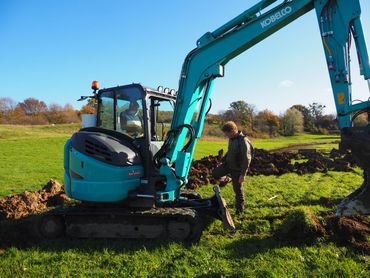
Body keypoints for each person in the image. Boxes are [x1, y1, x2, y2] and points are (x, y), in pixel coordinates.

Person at [212, 121, 254, 215]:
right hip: (229, 165)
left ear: (233, 130)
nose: (226, 136)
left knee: (238, 190)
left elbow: (247, 159)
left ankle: (239, 210)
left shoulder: (243, 141)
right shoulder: (231, 139)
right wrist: (223, 160)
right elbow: (229, 151)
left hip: (238, 169)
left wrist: (243, 174)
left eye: (227, 134)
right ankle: (227, 179)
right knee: (215, 173)